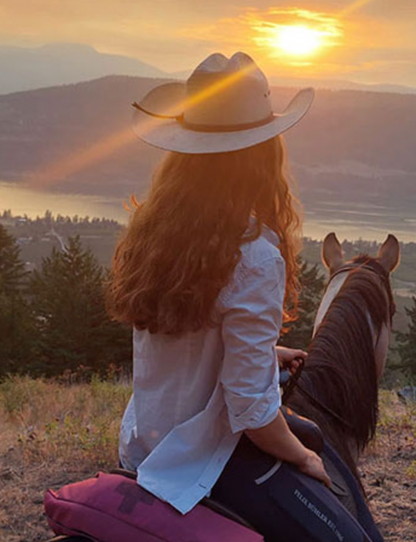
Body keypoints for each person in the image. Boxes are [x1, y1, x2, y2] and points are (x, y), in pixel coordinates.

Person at [107, 52, 331, 539]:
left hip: (143, 444)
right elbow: (251, 412)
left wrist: (264, 354)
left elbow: (183, 342)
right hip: (199, 461)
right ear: (263, 155)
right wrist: (303, 457)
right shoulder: (254, 255)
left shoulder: (160, 233)